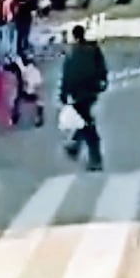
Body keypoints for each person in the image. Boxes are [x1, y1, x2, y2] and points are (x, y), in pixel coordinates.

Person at [59, 24, 108, 171]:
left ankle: (95, 158)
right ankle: (76, 146)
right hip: (92, 90)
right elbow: (102, 67)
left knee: (87, 125)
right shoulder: (93, 49)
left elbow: (68, 74)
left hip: (78, 92)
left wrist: (63, 93)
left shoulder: (73, 53)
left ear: (74, 36)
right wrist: (102, 81)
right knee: (84, 120)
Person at [11, 51, 45, 128]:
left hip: (25, 91)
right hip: (28, 91)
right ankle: (38, 117)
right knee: (40, 99)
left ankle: (15, 117)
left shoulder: (21, 66)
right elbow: (38, 85)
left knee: (16, 98)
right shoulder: (35, 71)